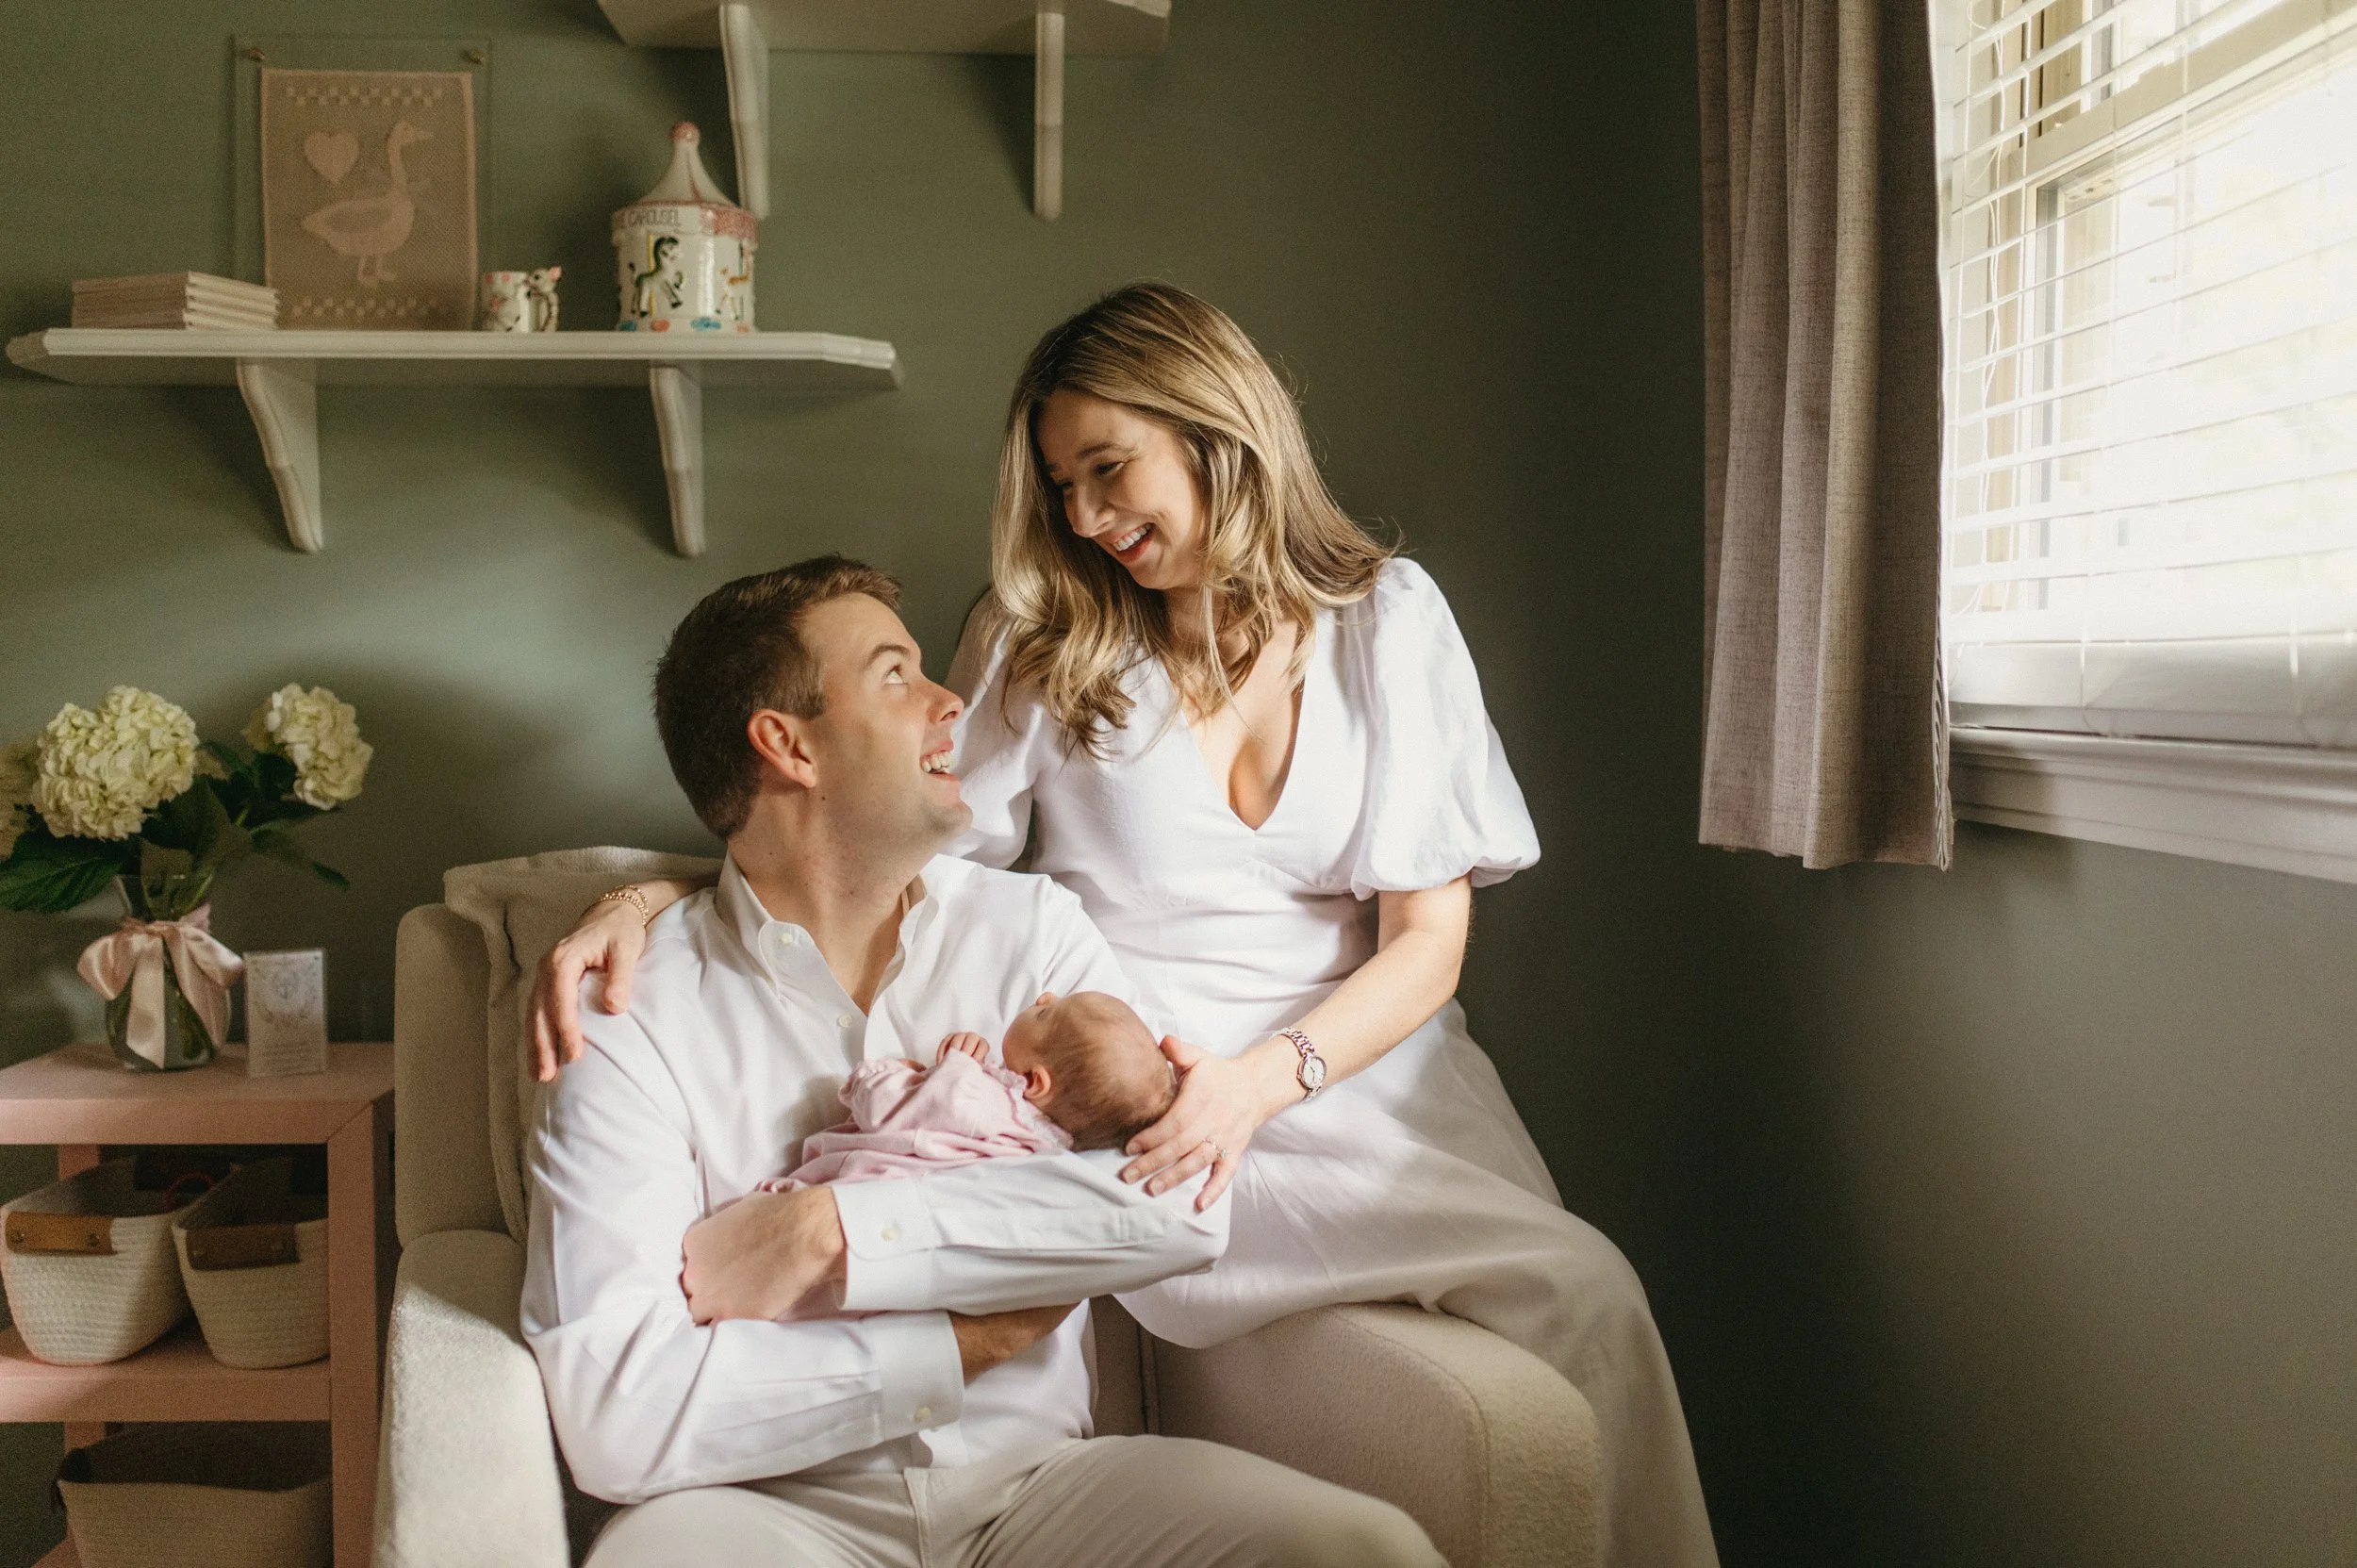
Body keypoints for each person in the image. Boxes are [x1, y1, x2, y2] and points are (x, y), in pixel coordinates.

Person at [534, 285, 1719, 1567]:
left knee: (1590, 1296)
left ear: (1216, 424)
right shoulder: (1046, 642)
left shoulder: (1392, 620)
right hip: (1140, 1090)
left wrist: (1265, 1083)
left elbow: (1426, 936)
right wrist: (640, 895)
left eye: (1109, 469)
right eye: (1065, 488)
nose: (1091, 518)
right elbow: (857, 841)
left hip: (1357, 1072)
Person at [521, 555, 1443, 1566]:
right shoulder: (621, 1005)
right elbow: (617, 1413)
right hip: (757, 1509)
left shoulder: (1035, 934)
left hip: (1042, 1490)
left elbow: (1178, 1200)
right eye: (895, 675)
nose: (949, 700)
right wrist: (962, 1340)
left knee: (1365, 1549)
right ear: (787, 745)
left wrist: (831, 1231)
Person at [751, 992, 1178, 1207]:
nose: (1043, 997)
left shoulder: (968, 1093)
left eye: (1046, 1014)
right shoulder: (1045, 1149)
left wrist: (903, 1071)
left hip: (847, 1191)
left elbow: (881, 1108)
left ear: (1033, 1082)